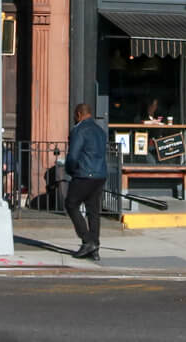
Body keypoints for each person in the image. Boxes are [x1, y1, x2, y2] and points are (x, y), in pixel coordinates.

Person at [64, 102, 109, 259]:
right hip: (100, 175)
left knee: (71, 204)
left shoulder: (79, 130)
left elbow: (73, 155)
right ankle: (94, 247)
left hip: (84, 174)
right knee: (93, 211)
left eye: (74, 116)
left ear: (78, 114)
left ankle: (88, 240)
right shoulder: (101, 131)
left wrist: (70, 170)